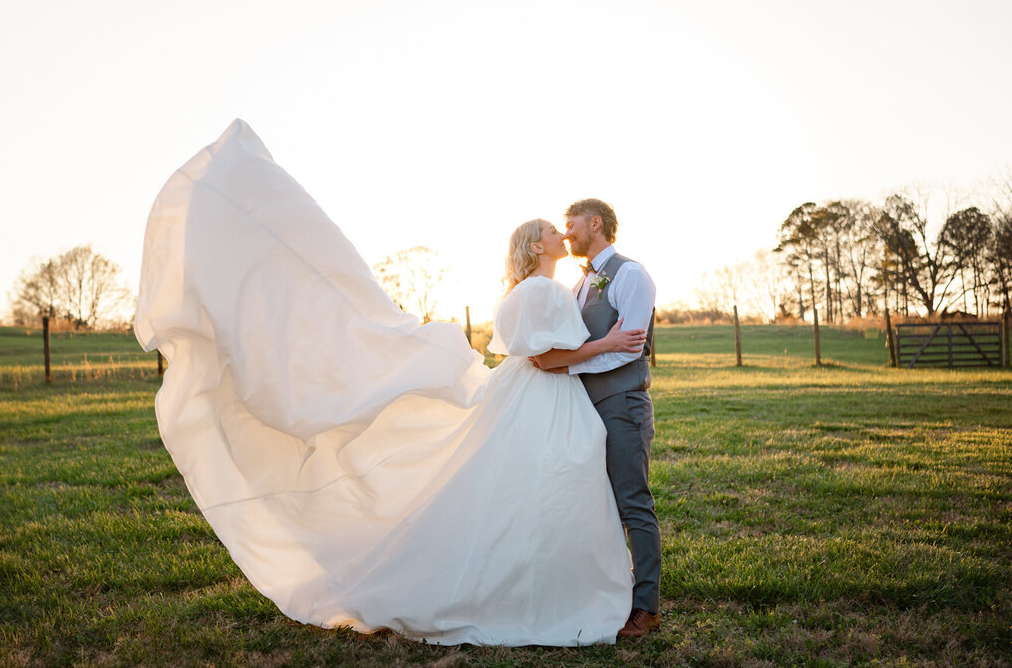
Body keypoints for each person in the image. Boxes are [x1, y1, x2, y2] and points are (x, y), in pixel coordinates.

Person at [134, 120, 651, 646]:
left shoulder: (526, 291)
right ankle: (547, 592)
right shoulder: (544, 292)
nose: (560, 235)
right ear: (536, 245)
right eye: (550, 229)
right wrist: (607, 345)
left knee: (526, 491)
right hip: (545, 397)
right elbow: (545, 359)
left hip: (529, 395)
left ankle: (545, 582)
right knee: (551, 487)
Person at [530, 198, 661, 638]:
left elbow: (628, 347)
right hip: (585, 411)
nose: (566, 234)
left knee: (633, 504)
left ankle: (646, 607)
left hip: (623, 405)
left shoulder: (631, 275)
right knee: (596, 506)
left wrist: (565, 365)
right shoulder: (579, 284)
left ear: (596, 223)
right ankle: (607, 593)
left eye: (571, 225)